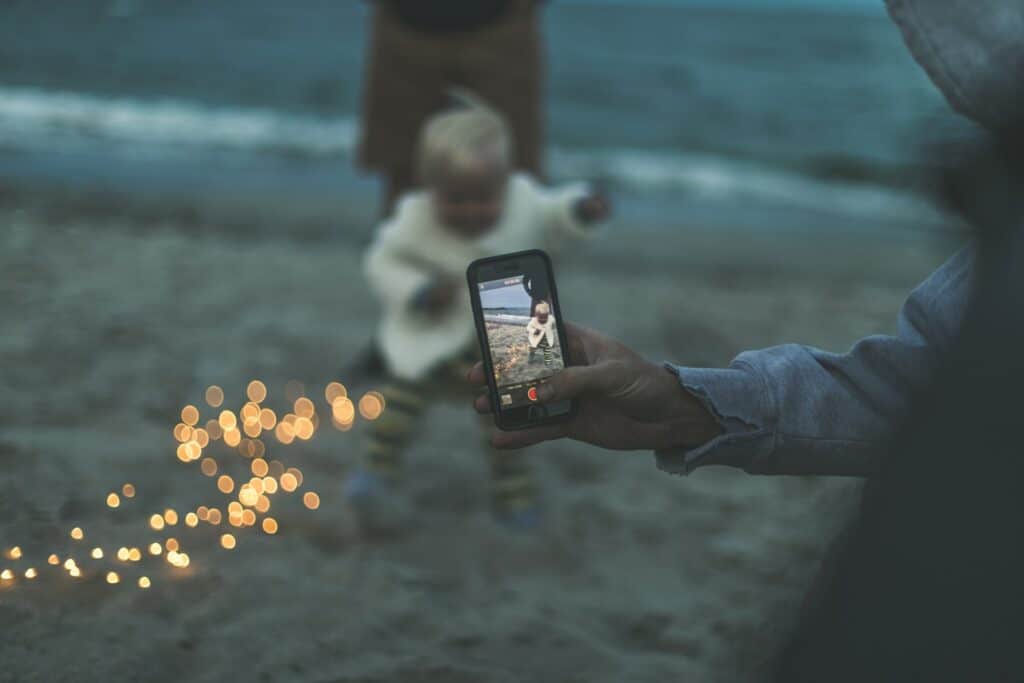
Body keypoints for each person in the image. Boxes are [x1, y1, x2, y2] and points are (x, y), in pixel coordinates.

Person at [348, 92, 609, 532]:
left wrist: (580, 209)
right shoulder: (414, 217)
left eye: (484, 198)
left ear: (505, 182)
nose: (471, 211)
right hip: (434, 341)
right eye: (456, 200)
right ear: (430, 188)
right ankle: (376, 472)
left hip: (509, 342)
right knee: (396, 409)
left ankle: (514, 496)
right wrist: (418, 289)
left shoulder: (524, 200)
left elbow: (555, 213)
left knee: (510, 427)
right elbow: (382, 260)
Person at [358, 0, 547, 217]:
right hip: (403, 23)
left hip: (504, 24)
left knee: (515, 167)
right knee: (402, 167)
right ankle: (405, 246)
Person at [526, 300, 556, 366]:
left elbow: (553, 325)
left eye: (545, 317)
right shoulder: (533, 320)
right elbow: (528, 327)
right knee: (532, 349)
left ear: (548, 314)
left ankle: (548, 362)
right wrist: (534, 331)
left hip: (546, 340)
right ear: (536, 315)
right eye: (541, 317)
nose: (543, 319)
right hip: (535, 340)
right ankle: (531, 357)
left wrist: (553, 340)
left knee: (547, 352)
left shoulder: (551, 319)